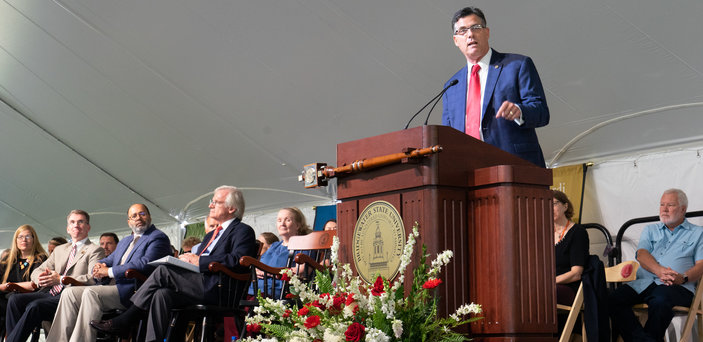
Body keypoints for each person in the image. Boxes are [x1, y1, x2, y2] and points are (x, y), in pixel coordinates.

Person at [90, 185, 258, 342]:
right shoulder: (211, 235)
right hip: (200, 284)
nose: (210, 206)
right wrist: (184, 261)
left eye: (215, 202)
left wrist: (201, 260)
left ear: (231, 208)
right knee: (161, 294)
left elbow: (238, 261)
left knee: (163, 271)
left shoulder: (242, 231)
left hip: (219, 288)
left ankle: (126, 319)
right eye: (211, 201)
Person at [441, 7, 550, 167]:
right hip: (469, 172)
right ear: (456, 40)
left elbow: (541, 112)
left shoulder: (517, 65)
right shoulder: (451, 86)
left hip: (516, 167)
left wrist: (520, 111)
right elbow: (448, 137)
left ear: (487, 32)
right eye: (462, 31)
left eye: (475, 28)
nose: (470, 34)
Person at [47, 204, 172, 342]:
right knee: (69, 293)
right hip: (114, 288)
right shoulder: (126, 241)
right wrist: (100, 265)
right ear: (128, 221)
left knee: (91, 293)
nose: (138, 218)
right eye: (134, 216)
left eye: (142, 214)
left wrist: (109, 271)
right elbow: (109, 259)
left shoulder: (158, 237)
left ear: (149, 216)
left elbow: (145, 263)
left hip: (136, 291)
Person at [609, 189, 703, 342]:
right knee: (613, 299)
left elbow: (701, 265)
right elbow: (641, 254)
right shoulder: (650, 230)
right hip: (644, 283)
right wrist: (660, 271)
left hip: (678, 287)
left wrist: (683, 278)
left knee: (660, 300)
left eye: (670, 205)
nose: (664, 209)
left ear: (683, 209)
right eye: (662, 205)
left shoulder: (698, 232)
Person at [5, 210, 105, 342]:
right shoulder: (60, 249)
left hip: (71, 296)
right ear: (68, 228)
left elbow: (94, 278)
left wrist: (61, 279)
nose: (76, 225)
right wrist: (41, 278)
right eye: (72, 222)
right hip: (51, 293)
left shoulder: (95, 250)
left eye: (81, 222)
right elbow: (38, 270)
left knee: (35, 306)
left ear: (88, 227)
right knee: (15, 300)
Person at [251, 207, 312, 298]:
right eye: (279, 220)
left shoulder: (304, 245)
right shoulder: (274, 245)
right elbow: (259, 265)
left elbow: (303, 270)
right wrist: (256, 270)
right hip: (256, 289)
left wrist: (272, 273)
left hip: (279, 291)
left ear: (298, 225)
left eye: (288, 220)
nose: (282, 224)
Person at [0, 225, 48, 336]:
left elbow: (35, 284)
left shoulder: (41, 258)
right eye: (20, 237)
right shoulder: (8, 259)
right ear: (15, 240)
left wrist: (9, 286)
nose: (24, 240)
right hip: (6, 298)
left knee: (13, 299)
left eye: (27, 236)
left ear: (33, 239)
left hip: (26, 299)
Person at [553, 190, 589, 306]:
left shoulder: (577, 232)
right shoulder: (543, 234)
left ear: (565, 206)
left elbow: (576, 273)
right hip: (547, 285)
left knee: (540, 294)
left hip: (568, 287)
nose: (549, 208)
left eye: (554, 204)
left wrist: (550, 282)